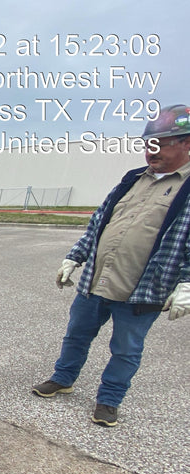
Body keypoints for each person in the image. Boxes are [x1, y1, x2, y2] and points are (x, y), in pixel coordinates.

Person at [32, 104, 190, 427]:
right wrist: (75, 256)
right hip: (97, 280)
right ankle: (63, 377)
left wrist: (187, 284)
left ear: (186, 143)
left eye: (160, 143)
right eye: (148, 143)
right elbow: (99, 223)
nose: (151, 150)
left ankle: (109, 400)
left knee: (126, 349)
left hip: (142, 290)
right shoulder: (132, 179)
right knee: (76, 334)